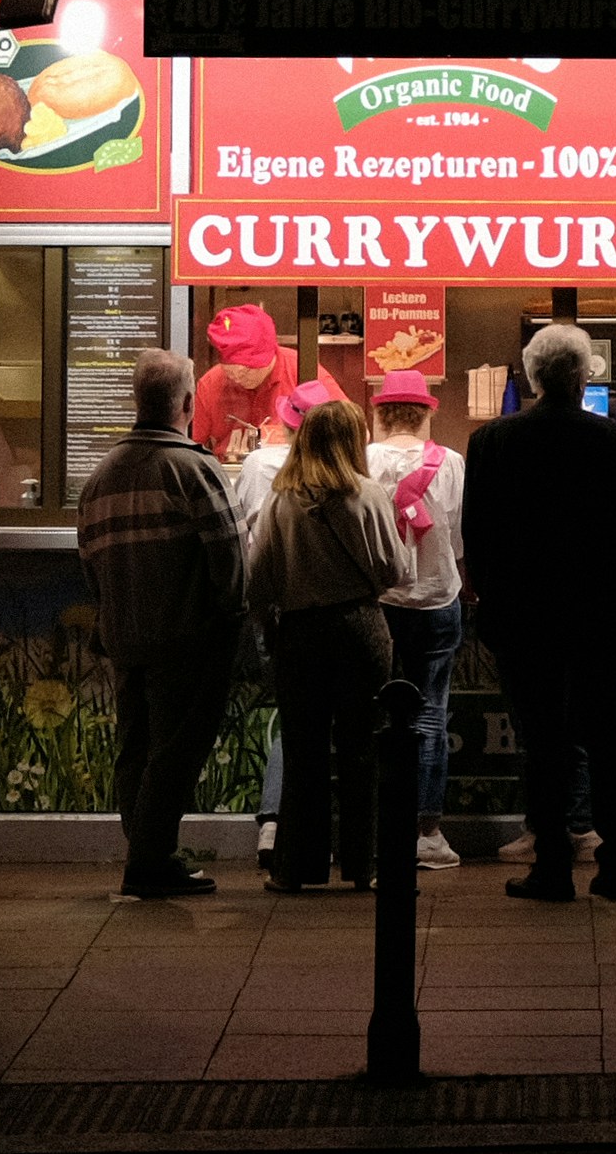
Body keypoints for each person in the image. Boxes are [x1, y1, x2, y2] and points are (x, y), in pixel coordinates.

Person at [460, 323, 616, 902]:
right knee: (601, 735)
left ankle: (551, 865)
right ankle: (615, 864)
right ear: (581, 376)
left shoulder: (493, 442)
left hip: (526, 619)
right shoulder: (613, 441)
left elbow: (480, 536)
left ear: (529, 376)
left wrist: (495, 600)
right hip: (597, 617)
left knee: (543, 741)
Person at [77, 348, 247, 899]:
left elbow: (91, 570)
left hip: (125, 637)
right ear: (187, 402)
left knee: (136, 749)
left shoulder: (98, 478)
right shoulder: (193, 468)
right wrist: (231, 617)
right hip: (187, 637)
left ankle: (145, 851)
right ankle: (149, 861)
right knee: (176, 751)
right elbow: (231, 558)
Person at [246, 394, 411, 892]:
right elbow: (397, 571)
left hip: (299, 632)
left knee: (304, 750)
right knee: (363, 747)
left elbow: (258, 582)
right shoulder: (368, 493)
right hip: (360, 627)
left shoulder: (279, 498)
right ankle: (365, 866)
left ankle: (300, 867)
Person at [366, 369, 469, 867]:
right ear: (427, 412)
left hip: (380, 604)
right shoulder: (450, 462)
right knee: (430, 716)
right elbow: (460, 541)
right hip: (436, 602)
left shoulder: (360, 461)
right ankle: (427, 832)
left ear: (380, 414)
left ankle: (376, 828)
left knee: (375, 715)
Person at [195, 304, 295, 455]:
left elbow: (340, 438)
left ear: (270, 356)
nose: (238, 378)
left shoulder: (303, 372)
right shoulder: (211, 384)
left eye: (247, 370)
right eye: (230, 372)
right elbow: (188, 447)